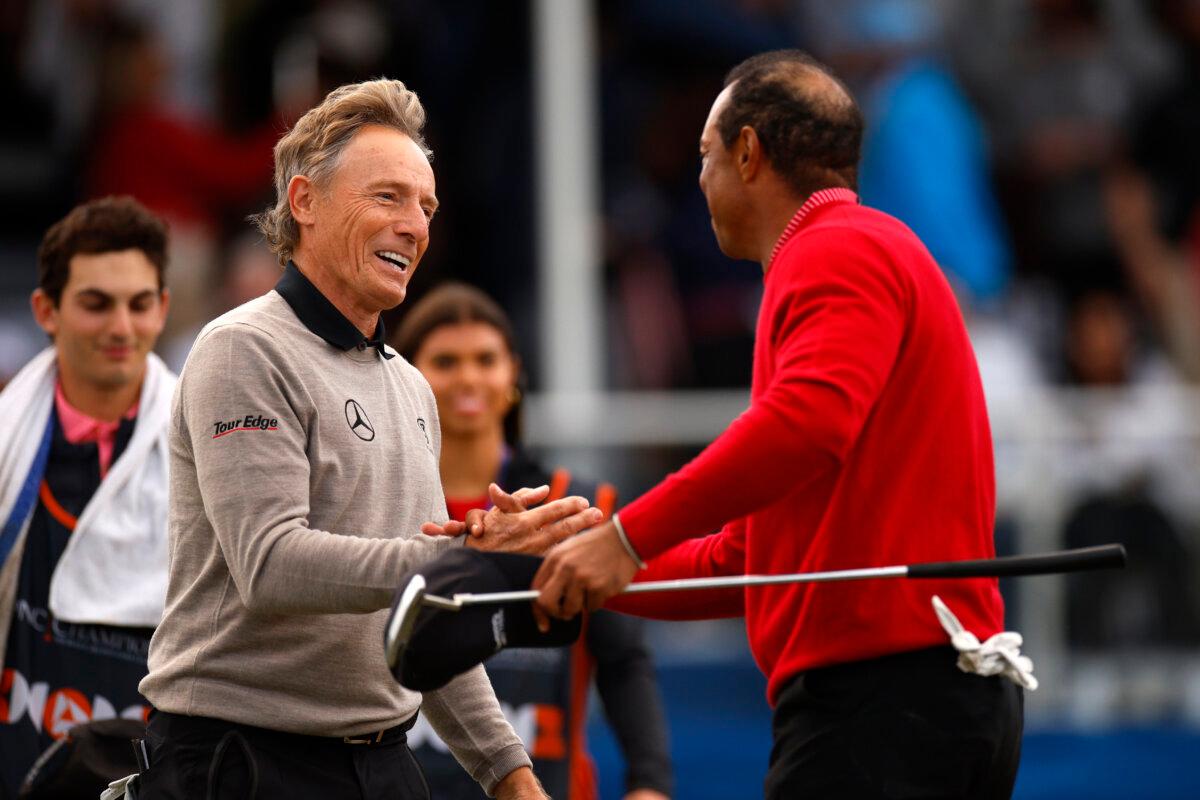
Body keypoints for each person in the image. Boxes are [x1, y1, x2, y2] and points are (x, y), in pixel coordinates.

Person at [531, 50, 1025, 798]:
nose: (699, 180)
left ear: (748, 152)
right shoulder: (858, 248)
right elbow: (750, 562)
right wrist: (583, 564)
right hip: (915, 700)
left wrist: (625, 536)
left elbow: (808, 422)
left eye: (706, 156)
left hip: (883, 703)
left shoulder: (834, 247)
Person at [135, 79, 601, 800]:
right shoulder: (241, 350)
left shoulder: (412, 387)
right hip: (239, 760)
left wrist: (510, 774)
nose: (415, 224)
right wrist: (465, 559)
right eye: (388, 197)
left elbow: (421, 614)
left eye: (426, 207)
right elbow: (270, 564)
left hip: (381, 766)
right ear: (305, 202)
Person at [393, 283, 674, 800]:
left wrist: (650, 783)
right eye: (446, 361)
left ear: (513, 374)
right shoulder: (384, 505)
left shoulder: (573, 507)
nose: (469, 377)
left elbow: (624, 659)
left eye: (485, 359)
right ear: (408, 378)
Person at [0, 196, 175, 797]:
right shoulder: (6, 443)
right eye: (97, 304)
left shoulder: (208, 452)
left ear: (164, 310)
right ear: (46, 310)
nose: (121, 328)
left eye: (139, 304)